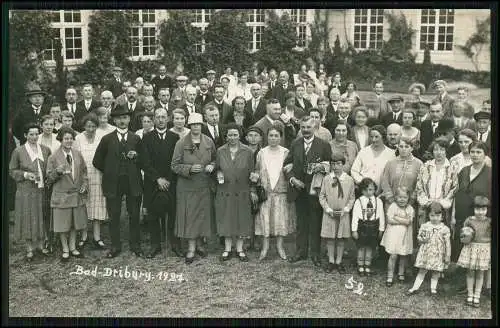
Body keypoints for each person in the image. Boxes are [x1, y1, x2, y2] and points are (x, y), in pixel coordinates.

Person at [93, 106, 145, 259]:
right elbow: (97, 161)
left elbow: (144, 161)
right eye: (119, 118)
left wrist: (136, 155)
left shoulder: (136, 138)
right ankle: (115, 246)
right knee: (114, 215)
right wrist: (110, 170)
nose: (122, 121)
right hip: (113, 183)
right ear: (114, 120)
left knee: (134, 214)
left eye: (125, 118)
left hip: (132, 181)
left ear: (129, 119)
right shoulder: (107, 139)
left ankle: (136, 245)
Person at [284, 116, 332, 266]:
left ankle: (316, 253)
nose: (305, 130)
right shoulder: (295, 143)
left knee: (315, 221)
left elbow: (330, 164)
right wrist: (293, 180)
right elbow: (287, 165)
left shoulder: (323, 145)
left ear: (315, 127)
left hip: (315, 190)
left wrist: (322, 168)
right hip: (299, 189)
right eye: (303, 127)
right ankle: (301, 252)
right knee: (301, 222)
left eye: (308, 127)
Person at [171, 112, 216, 264]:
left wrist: (212, 165)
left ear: (202, 126)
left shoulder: (209, 141)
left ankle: (200, 244)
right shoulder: (181, 143)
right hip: (187, 186)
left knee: (202, 216)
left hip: (203, 185)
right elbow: (174, 166)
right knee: (190, 216)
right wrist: (189, 168)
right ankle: (190, 248)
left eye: (198, 125)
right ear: (189, 126)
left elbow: (216, 159)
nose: (196, 127)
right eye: (193, 125)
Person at [141, 108, 181, 258]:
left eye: (163, 117)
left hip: (171, 181)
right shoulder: (147, 137)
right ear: (154, 120)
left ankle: (175, 244)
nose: (161, 120)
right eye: (157, 117)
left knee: (173, 212)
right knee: (152, 214)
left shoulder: (174, 137)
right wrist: (157, 179)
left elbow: (177, 160)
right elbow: (144, 161)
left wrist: (168, 179)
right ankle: (155, 245)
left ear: (168, 118)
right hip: (153, 181)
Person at [9, 123, 51, 261]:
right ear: (25, 135)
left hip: (41, 190)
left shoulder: (45, 150)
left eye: (36, 134)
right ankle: (29, 248)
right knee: (28, 217)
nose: (34, 137)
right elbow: (12, 170)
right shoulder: (18, 151)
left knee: (41, 215)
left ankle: (40, 244)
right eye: (31, 134)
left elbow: (49, 168)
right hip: (26, 191)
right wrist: (26, 175)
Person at [46, 127, 88, 261]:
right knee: (63, 224)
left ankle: (72, 247)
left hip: (76, 195)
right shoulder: (53, 157)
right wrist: (57, 172)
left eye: (71, 138)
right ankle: (65, 248)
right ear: (61, 140)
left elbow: (84, 172)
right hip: (62, 196)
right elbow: (48, 179)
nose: (69, 141)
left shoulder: (77, 154)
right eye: (66, 139)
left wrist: (84, 184)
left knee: (75, 223)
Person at [215, 123, 256, 262]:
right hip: (225, 189)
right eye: (230, 135)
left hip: (242, 190)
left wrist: (253, 181)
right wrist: (218, 174)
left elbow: (252, 170)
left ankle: (239, 249)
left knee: (241, 219)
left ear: (240, 135)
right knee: (226, 218)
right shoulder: (220, 151)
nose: (232, 137)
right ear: (226, 136)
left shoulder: (248, 151)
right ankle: (227, 249)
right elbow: (216, 168)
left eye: (235, 135)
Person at [254, 125, 296, 260]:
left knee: (280, 219)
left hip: (281, 192)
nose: (273, 138)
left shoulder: (286, 152)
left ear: (280, 137)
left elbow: (290, 170)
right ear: (267, 137)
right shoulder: (261, 153)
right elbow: (256, 170)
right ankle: (265, 247)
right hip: (266, 193)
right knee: (265, 219)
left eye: (276, 135)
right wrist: (255, 178)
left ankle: (280, 246)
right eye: (271, 135)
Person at [451, 141, 491, 263]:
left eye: (478, 152)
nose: (474, 155)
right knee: (461, 241)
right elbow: (456, 193)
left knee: (477, 246)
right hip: (461, 215)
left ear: (485, 154)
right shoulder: (464, 171)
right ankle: (460, 271)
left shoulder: (490, 173)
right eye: (472, 151)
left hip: (481, 217)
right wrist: (453, 214)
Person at [73, 114, 107, 250]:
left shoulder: (101, 138)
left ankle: (97, 237)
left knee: (97, 205)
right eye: (88, 126)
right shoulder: (78, 138)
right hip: (83, 176)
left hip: (98, 175)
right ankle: (84, 235)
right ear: (84, 126)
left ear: (96, 126)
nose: (91, 129)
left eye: (93, 126)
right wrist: (82, 178)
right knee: (84, 205)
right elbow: (75, 158)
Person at [380, 137, 423, 247]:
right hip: (392, 202)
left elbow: (420, 183)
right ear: (397, 147)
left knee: (406, 229)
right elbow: (384, 181)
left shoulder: (418, 164)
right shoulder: (390, 163)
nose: (403, 149)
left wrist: (412, 199)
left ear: (412, 148)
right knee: (392, 229)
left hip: (409, 204)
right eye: (401, 146)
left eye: (407, 147)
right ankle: (389, 255)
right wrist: (391, 198)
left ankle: (405, 258)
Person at [319, 152, 356, 273]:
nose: (335, 166)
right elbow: (322, 196)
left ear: (343, 164)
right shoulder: (327, 179)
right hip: (329, 213)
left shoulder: (349, 180)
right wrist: (328, 209)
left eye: (338, 164)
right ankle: (331, 261)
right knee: (330, 238)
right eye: (333, 164)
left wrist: (346, 209)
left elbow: (351, 197)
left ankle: (339, 261)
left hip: (343, 213)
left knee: (340, 239)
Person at [407, 202, 451, 296]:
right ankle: (415, 287)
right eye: (432, 215)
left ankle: (433, 289)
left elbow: (448, 243)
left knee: (436, 271)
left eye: (437, 215)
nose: (435, 218)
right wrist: (423, 240)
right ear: (428, 215)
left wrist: (447, 255)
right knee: (422, 270)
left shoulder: (445, 229)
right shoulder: (425, 226)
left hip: (438, 253)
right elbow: (419, 239)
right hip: (426, 252)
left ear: (442, 216)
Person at [415, 137, 458, 230]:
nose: (439, 152)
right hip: (427, 206)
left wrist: (444, 202)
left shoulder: (452, 168)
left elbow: (454, 188)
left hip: (444, 208)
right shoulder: (425, 167)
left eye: (442, 150)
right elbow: (419, 186)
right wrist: (425, 201)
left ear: (446, 151)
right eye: (436, 149)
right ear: (432, 151)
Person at [457, 195, 491, 308]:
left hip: (484, 249)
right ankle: (470, 294)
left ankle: (477, 296)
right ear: (473, 209)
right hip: (471, 248)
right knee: (470, 272)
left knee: (480, 274)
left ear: (487, 209)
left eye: (483, 209)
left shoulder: (489, 222)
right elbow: (463, 234)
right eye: (477, 209)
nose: (480, 212)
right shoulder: (469, 220)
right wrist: (465, 237)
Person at [380, 186, 414, 286]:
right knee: (393, 255)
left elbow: (409, 221)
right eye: (399, 197)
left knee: (403, 255)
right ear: (395, 197)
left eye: (404, 197)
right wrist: (403, 220)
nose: (402, 199)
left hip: (404, 235)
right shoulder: (393, 206)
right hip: (393, 235)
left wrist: (396, 217)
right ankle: (390, 276)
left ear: (408, 198)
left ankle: (401, 273)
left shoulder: (410, 208)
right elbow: (390, 220)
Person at [351, 177, 385, 276]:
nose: (368, 192)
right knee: (361, 247)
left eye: (371, 189)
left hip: (373, 226)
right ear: (362, 190)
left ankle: (367, 265)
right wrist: (354, 230)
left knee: (370, 247)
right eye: (365, 190)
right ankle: (360, 265)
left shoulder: (378, 201)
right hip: (362, 226)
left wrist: (381, 229)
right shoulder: (359, 201)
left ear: (375, 189)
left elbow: (381, 216)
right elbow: (355, 217)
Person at [351, 125, 396, 190]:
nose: (373, 140)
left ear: (383, 137)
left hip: (382, 191)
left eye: (376, 137)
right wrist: (362, 183)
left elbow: (392, 175)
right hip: (363, 190)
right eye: (371, 137)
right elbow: (354, 171)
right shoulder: (363, 151)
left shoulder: (391, 154)